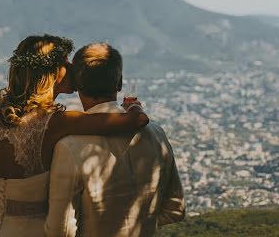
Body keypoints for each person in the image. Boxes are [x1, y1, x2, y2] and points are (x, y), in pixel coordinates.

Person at [0, 34, 149, 237]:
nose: (71, 67)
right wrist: (133, 106)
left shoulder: (4, 114)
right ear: (50, 73)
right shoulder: (56, 122)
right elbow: (138, 121)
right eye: (65, 62)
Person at [44, 42, 185, 237]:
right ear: (119, 83)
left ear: (77, 84)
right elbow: (175, 210)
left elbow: (60, 230)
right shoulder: (156, 135)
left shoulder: (70, 147)